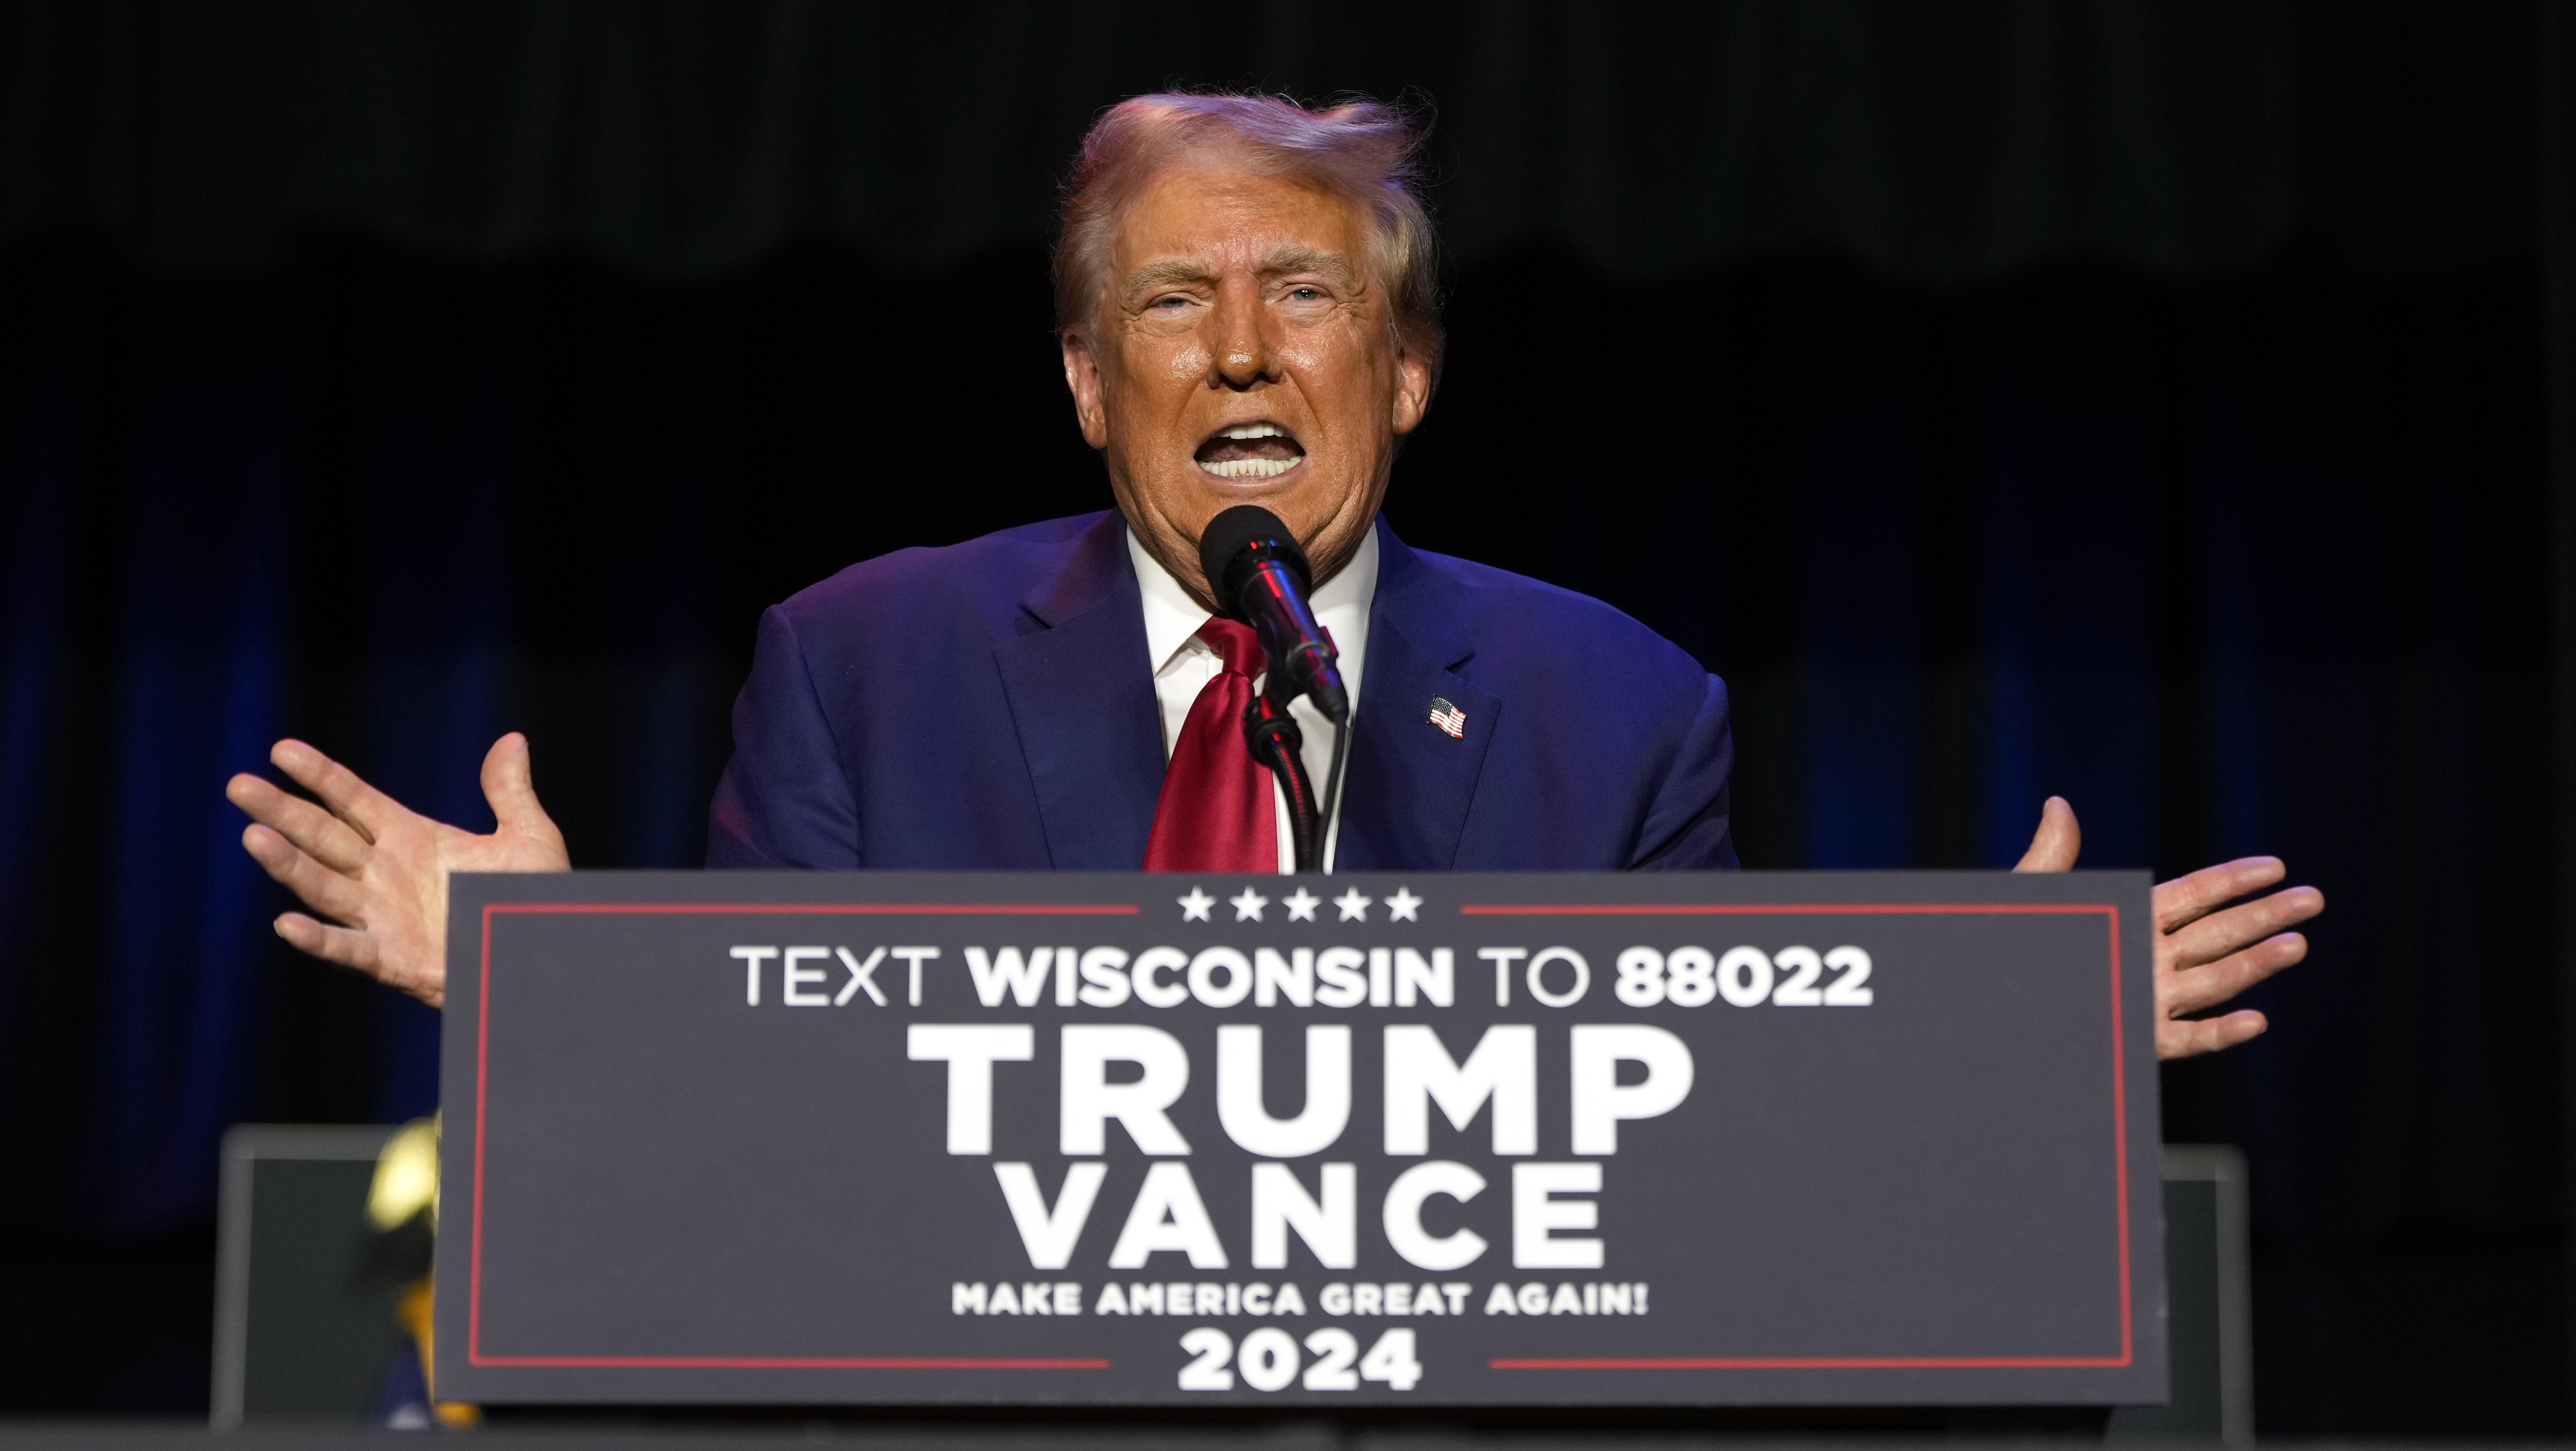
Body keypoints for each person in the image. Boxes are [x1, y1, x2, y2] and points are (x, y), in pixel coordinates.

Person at [224, 92, 2320, 1061]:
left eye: (1300, 294)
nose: (1236, 350)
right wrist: (546, 988)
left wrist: (1994, 1052)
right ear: (1080, 380)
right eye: (1166, 304)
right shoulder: (864, 660)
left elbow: (1689, 1127)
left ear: (1401, 372)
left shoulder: (1618, 707)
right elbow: (782, 1110)